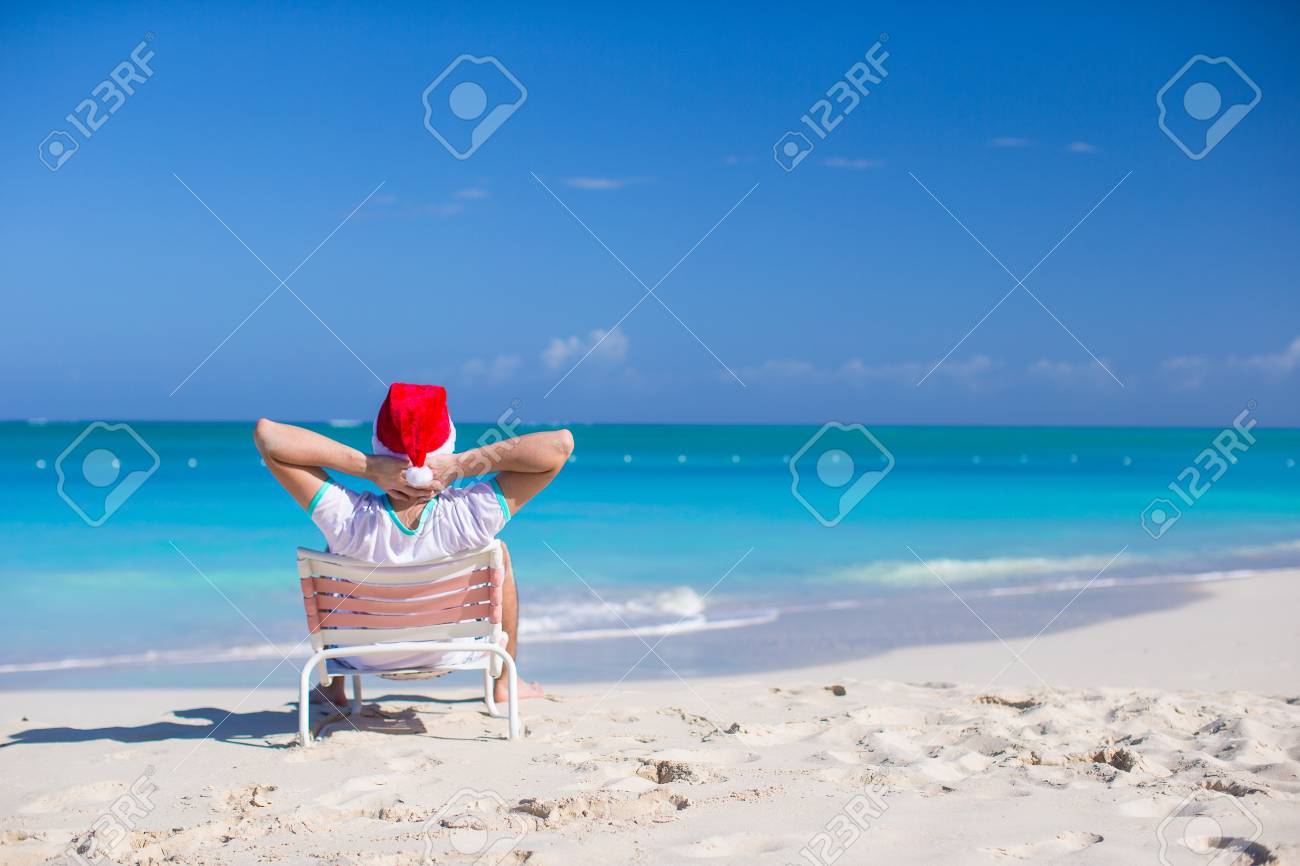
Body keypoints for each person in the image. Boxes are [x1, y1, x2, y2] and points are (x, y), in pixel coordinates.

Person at [252, 383, 571, 711]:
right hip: (455, 651)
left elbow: (268, 436)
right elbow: (559, 445)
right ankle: (505, 682)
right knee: (498, 554)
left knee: (334, 550)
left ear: (378, 444)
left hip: (360, 656)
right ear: (447, 442)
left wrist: (367, 467)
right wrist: (458, 464)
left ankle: (333, 688)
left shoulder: (347, 518)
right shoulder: (471, 515)